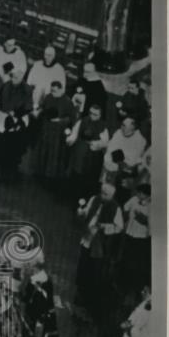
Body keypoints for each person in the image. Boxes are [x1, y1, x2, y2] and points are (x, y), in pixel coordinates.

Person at [75, 182, 124, 324]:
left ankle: (88, 296)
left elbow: (119, 227)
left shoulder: (116, 208)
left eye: (106, 195)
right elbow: (86, 212)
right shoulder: (94, 199)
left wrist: (104, 227)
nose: (102, 196)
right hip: (87, 237)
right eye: (102, 192)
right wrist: (81, 212)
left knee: (94, 268)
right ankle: (80, 290)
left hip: (99, 243)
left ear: (112, 196)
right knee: (82, 263)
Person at [34, 79, 75, 183]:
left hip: (58, 133)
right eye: (52, 90)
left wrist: (60, 120)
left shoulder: (67, 102)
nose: (53, 93)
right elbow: (43, 108)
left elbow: (71, 118)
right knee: (43, 152)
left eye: (55, 91)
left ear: (62, 90)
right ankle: (40, 173)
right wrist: (39, 111)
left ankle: (50, 177)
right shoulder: (48, 97)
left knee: (54, 155)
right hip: (46, 129)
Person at [66, 102, 109, 199]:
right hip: (79, 150)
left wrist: (95, 144)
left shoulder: (103, 126)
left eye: (95, 114)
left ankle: (84, 197)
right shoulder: (83, 121)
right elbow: (74, 133)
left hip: (92, 155)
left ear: (100, 115)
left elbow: (105, 142)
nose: (92, 116)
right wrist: (70, 140)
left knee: (87, 176)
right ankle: (72, 196)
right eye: (90, 113)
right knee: (76, 172)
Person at [120, 183, 151, 294]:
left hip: (140, 238)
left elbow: (151, 224)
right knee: (125, 257)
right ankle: (121, 281)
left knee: (134, 262)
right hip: (129, 233)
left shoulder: (151, 207)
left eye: (141, 193)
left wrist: (144, 220)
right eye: (138, 192)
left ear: (147, 195)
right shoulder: (134, 199)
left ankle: (130, 285)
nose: (138, 194)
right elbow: (125, 208)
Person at [26, 45, 66, 110]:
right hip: (35, 96)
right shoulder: (37, 65)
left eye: (50, 55)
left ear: (54, 56)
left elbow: (62, 89)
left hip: (49, 97)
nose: (47, 57)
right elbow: (29, 80)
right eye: (46, 54)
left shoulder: (59, 69)